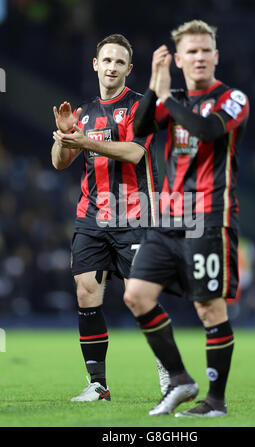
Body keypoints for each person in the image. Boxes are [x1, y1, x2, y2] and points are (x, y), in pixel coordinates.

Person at [124, 19, 249, 417]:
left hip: (210, 216)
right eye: (190, 52)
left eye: (205, 50)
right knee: (136, 295)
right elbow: (140, 128)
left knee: (209, 309)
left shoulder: (233, 98)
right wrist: (155, 83)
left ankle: (215, 401)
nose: (199, 57)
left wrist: (167, 98)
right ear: (179, 59)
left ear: (216, 56)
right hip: (167, 218)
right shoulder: (171, 93)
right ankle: (180, 380)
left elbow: (208, 130)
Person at [51, 34, 160, 402]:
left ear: (129, 69)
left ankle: (169, 374)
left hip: (133, 215)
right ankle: (98, 385)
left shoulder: (140, 106)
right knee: (86, 291)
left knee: (139, 297)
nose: (111, 67)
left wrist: (83, 141)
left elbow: (132, 152)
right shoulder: (82, 113)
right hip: (91, 215)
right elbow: (59, 162)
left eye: (119, 62)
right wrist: (66, 135)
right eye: (106, 60)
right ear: (95, 64)